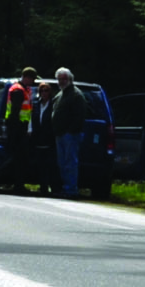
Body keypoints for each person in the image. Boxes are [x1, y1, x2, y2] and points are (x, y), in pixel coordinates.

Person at [50, 66, 91, 199]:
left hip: (70, 135)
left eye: (64, 78)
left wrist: (71, 130)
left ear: (70, 79)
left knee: (70, 162)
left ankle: (71, 189)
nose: (61, 81)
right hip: (59, 134)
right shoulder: (60, 94)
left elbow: (80, 115)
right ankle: (65, 187)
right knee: (62, 162)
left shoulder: (76, 95)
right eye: (59, 79)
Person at [3, 67, 39, 192]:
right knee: (19, 158)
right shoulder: (18, 90)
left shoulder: (24, 89)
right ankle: (17, 184)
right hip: (17, 127)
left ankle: (17, 183)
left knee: (19, 158)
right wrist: (16, 131)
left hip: (21, 127)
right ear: (27, 77)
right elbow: (15, 112)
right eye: (32, 79)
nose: (33, 82)